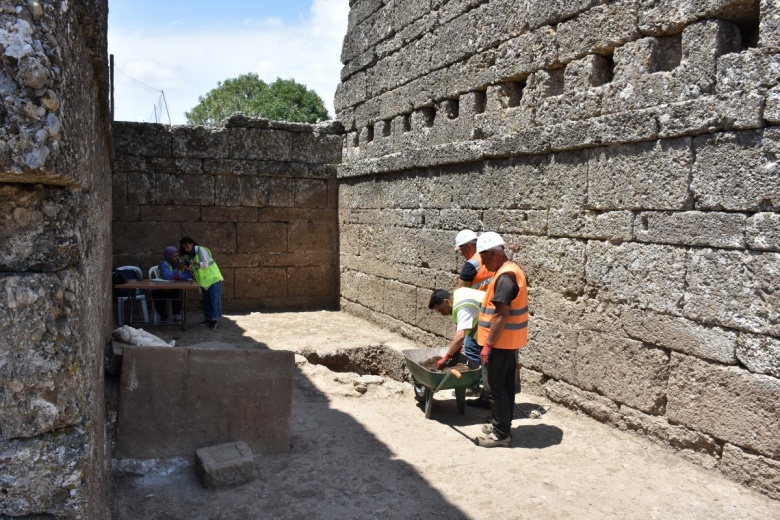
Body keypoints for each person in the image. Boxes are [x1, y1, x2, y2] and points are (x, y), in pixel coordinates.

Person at [474, 231, 529, 448]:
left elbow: (500, 314)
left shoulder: (505, 277)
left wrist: (488, 345)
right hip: (508, 342)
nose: (483, 263)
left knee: (496, 388)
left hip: (499, 343)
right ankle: (503, 423)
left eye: (484, 258)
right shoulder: (509, 271)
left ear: (494, 253)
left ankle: (501, 434)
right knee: (505, 387)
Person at [428, 287, 485, 370]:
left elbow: (460, 336)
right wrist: (456, 349)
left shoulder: (462, 307)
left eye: (441, 310)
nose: (443, 314)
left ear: (446, 302)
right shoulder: (458, 295)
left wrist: (446, 357)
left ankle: (478, 376)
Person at [179, 236, 223, 330]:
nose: (186, 249)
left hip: (213, 277)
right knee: (206, 300)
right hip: (204, 280)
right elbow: (196, 269)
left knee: (214, 299)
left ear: (192, 244)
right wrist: (190, 268)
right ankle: (207, 319)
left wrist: (194, 263)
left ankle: (214, 321)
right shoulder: (191, 255)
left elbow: (205, 264)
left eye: (187, 246)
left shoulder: (201, 250)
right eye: (184, 247)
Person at [152, 246, 193, 323]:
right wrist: (178, 269)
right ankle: (163, 316)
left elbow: (188, 275)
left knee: (177, 292)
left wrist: (179, 276)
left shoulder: (181, 263)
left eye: (178, 256)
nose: (177, 258)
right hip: (162, 288)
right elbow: (167, 276)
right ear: (168, 256)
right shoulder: (164, 264)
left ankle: (177, 314)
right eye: (174, 256)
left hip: (173, 288)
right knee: (157, 294)